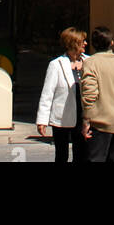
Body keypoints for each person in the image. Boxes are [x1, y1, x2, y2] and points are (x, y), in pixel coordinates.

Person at [79, 25, 114, 162]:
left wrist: (86, 119)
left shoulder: (90, 63)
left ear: (93, 44)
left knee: (95, 158)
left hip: (98, 122)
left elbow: (89, 94)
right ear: (111, 43)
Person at [36, 27, 88, 163]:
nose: (86, 44)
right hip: (62, 117)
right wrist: (42, 120)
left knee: (82, 155)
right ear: (73, 43)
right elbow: (47, 94)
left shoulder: (90, 62)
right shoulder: (56, 65)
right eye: (82, 41)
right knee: (61, 156)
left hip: (83, 116)